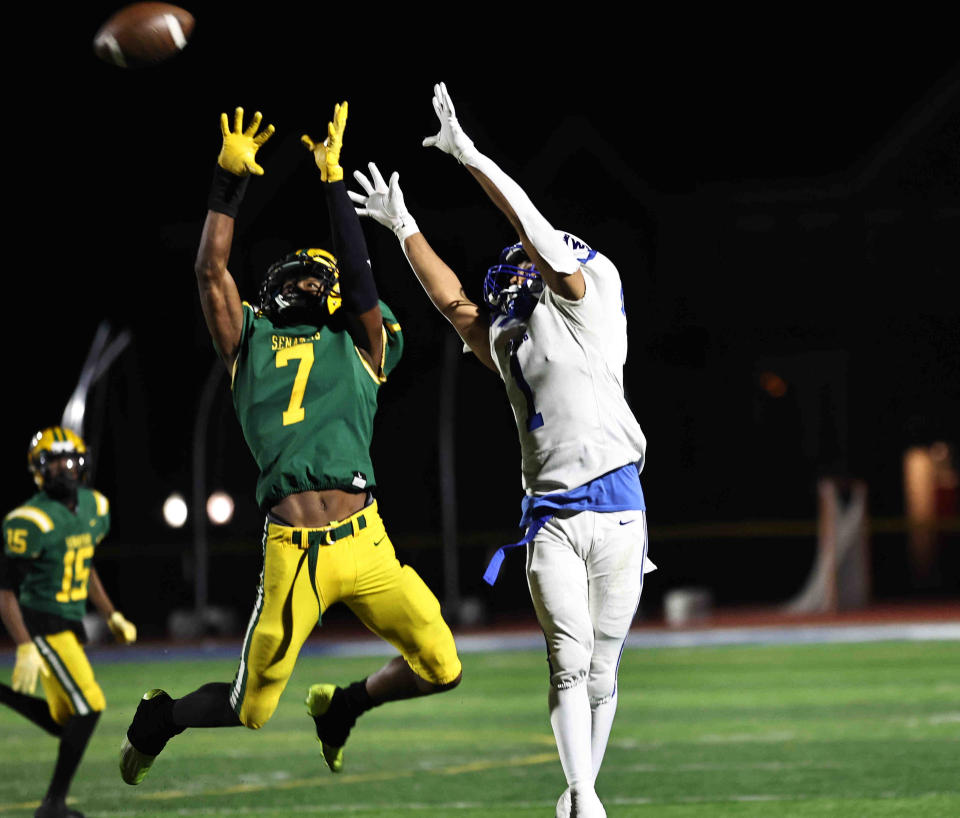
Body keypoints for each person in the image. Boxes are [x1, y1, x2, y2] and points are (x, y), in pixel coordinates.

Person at [119, 100, 462, 786]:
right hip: (294, 552)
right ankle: (163, 718)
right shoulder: (249, 341)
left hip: (368, 544)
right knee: (251, 709)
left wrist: (332, 182)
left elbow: (361, 278)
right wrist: (227, 185)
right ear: (273, 292)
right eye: (300, 274)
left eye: (324, 277)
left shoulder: (363, 341)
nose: (315, 279)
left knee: (443, 667)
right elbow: (210, 274)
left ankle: (344, 706)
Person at [349, 83, 656, 818]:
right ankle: (582, 797)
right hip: (549, 515)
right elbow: (455, 303)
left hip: (618, 507)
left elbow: (531, 226)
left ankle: (584, 791)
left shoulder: (582, 305)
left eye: (528, 263)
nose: (514, 272)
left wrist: (471, 157)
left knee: (604, 669)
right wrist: (405, 229)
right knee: (567, 662)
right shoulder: (513, 339)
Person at [1, 426, 137, 818]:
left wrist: (111, 614)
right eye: (53, 461)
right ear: (39, 470)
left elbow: (87, 565)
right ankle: (53, 805)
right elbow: (6, 593)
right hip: (41, 622)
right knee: (89, 706)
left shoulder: (94, 507)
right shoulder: (30, 520)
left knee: (68, 721)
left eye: (69, 460)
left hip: (68, 622)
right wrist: (25, 644)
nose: (63, 468)